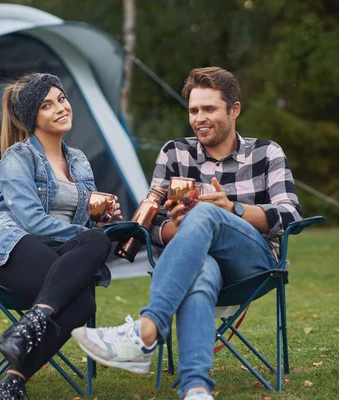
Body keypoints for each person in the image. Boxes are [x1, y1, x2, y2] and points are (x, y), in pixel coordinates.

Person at [72, 67, 302, 400]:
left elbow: (290, 215)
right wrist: (173, 228)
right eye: (194, 110)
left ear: (234, 110)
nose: (199, 118)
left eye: (209, 109)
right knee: (201, 270)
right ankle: (195, 388)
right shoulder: (175, 152)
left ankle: (146, 331)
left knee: (207, 212)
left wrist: (231, 209)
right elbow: (148, 220)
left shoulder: (266, 153)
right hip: (193, 259)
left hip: (253, 261)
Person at [0, 73, 122, 399]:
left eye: (61, 99)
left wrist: (102, 220)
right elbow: (31, 221)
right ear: (32, 118)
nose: (61, 108)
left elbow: (82, 227)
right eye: (47, 105)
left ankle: (11, 379)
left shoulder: (78, 160)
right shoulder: (18, 157)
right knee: (83, 290)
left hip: (53, 255)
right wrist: (86, 235)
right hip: (6, 247)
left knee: (94, 253)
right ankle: (29, 335)